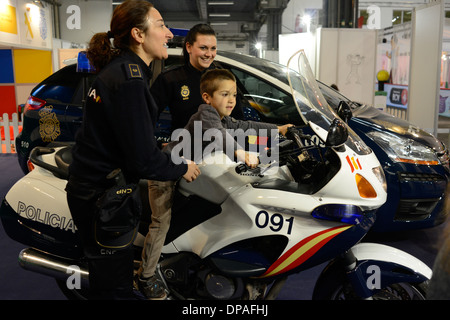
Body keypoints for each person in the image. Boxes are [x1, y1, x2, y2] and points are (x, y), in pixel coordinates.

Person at [65, 0, 200, 300]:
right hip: (104, 198)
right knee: (116, 289)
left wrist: (157, 146)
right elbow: (142, 162)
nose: (169, 34)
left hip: (95, 191)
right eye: (162, 25)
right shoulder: (130, 79)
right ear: (139, 35)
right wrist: (182, 167)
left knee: (110, 278)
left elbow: (124, 137)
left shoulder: (123, 71)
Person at [137, 69, 293, 299]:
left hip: (186, 175)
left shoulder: (222, 118)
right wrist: (243, 154)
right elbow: (220, 137)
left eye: (233, 94)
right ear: (207, 97)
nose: (231, 100)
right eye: (224, 94)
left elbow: (242, 127)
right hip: (166, 174)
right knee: (161, 223)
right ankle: (145, 276)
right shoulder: (206, 116)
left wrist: (277, 130)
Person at [150, 23, 243, 137]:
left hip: (220, 149)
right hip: (185, 151)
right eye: (203, 48)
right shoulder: (170, 79)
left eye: (213, 48)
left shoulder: (223, 78)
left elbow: (238, 120)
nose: (209, 54)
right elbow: (147, 117)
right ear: (189, 47)